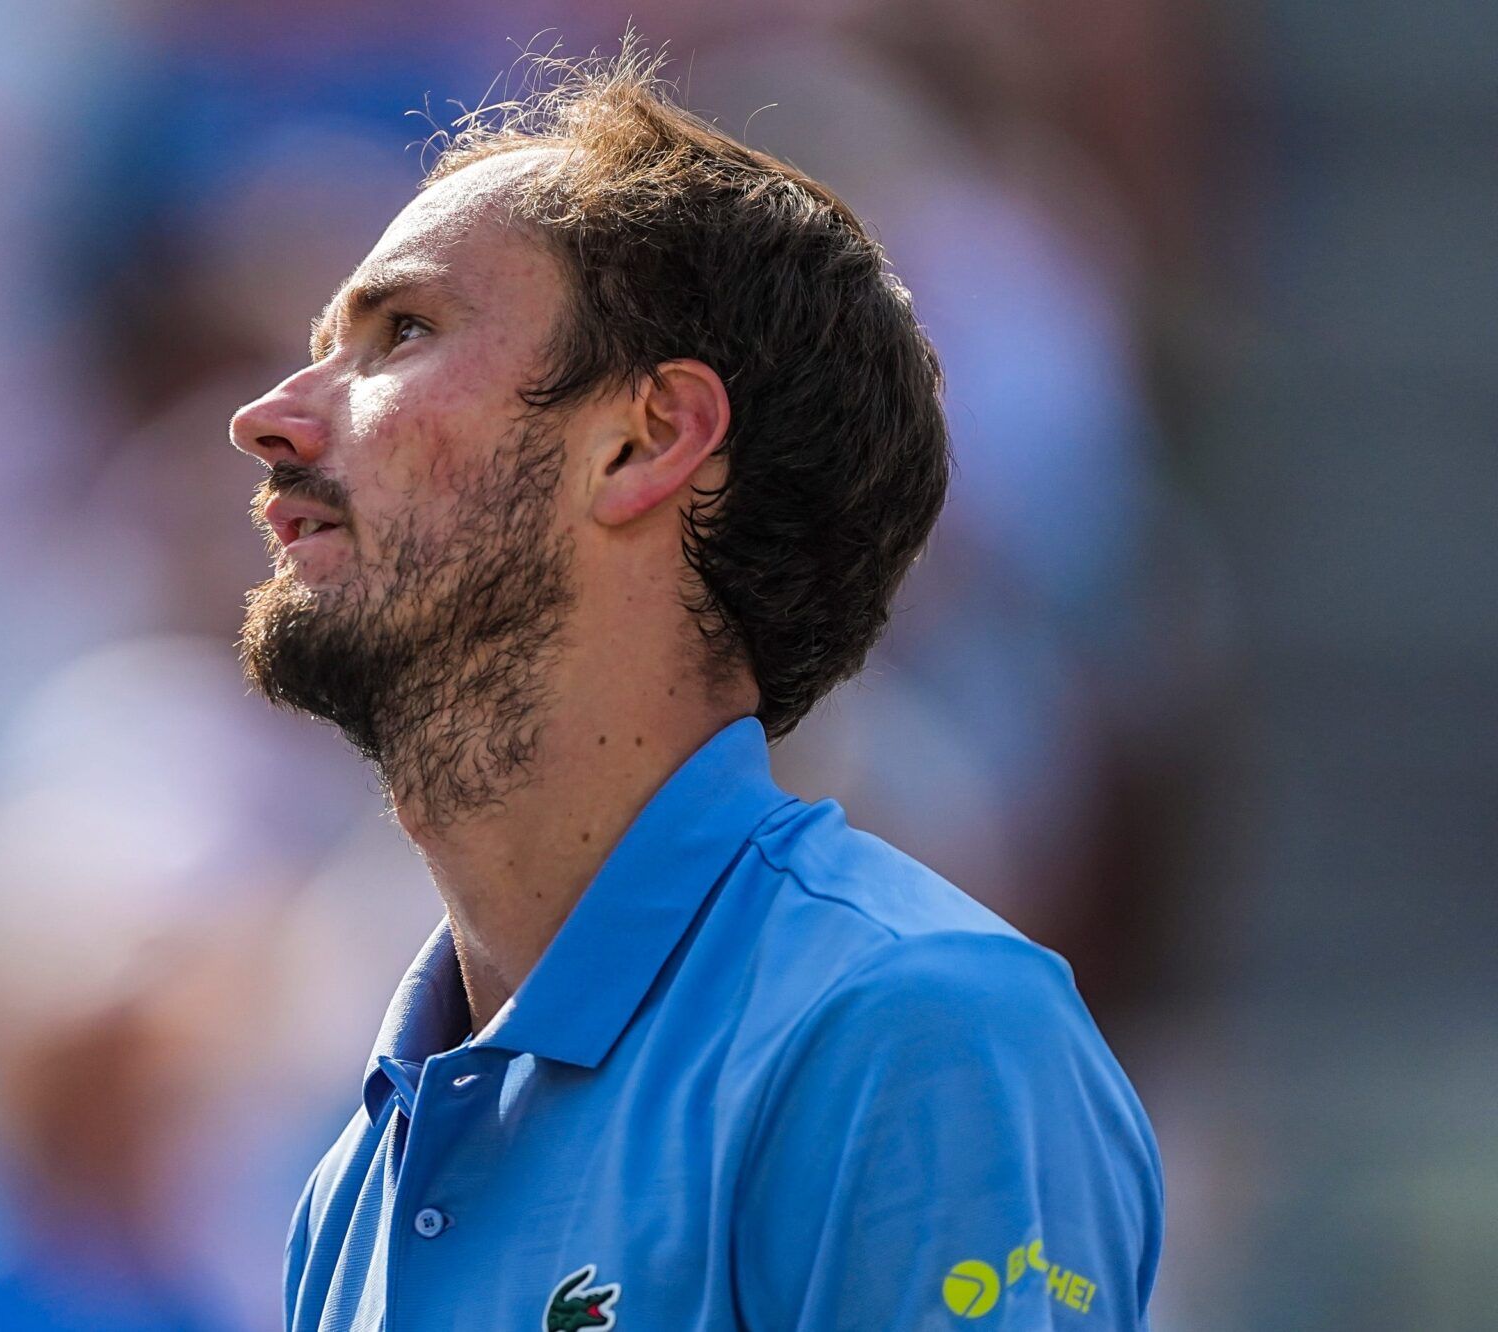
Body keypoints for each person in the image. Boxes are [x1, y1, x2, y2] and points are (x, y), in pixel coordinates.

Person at [227, 45, 1162, 1332]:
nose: (270, 416)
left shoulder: (919, 1034)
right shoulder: (350, 1180)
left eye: (402, 334)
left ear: (646, 439)